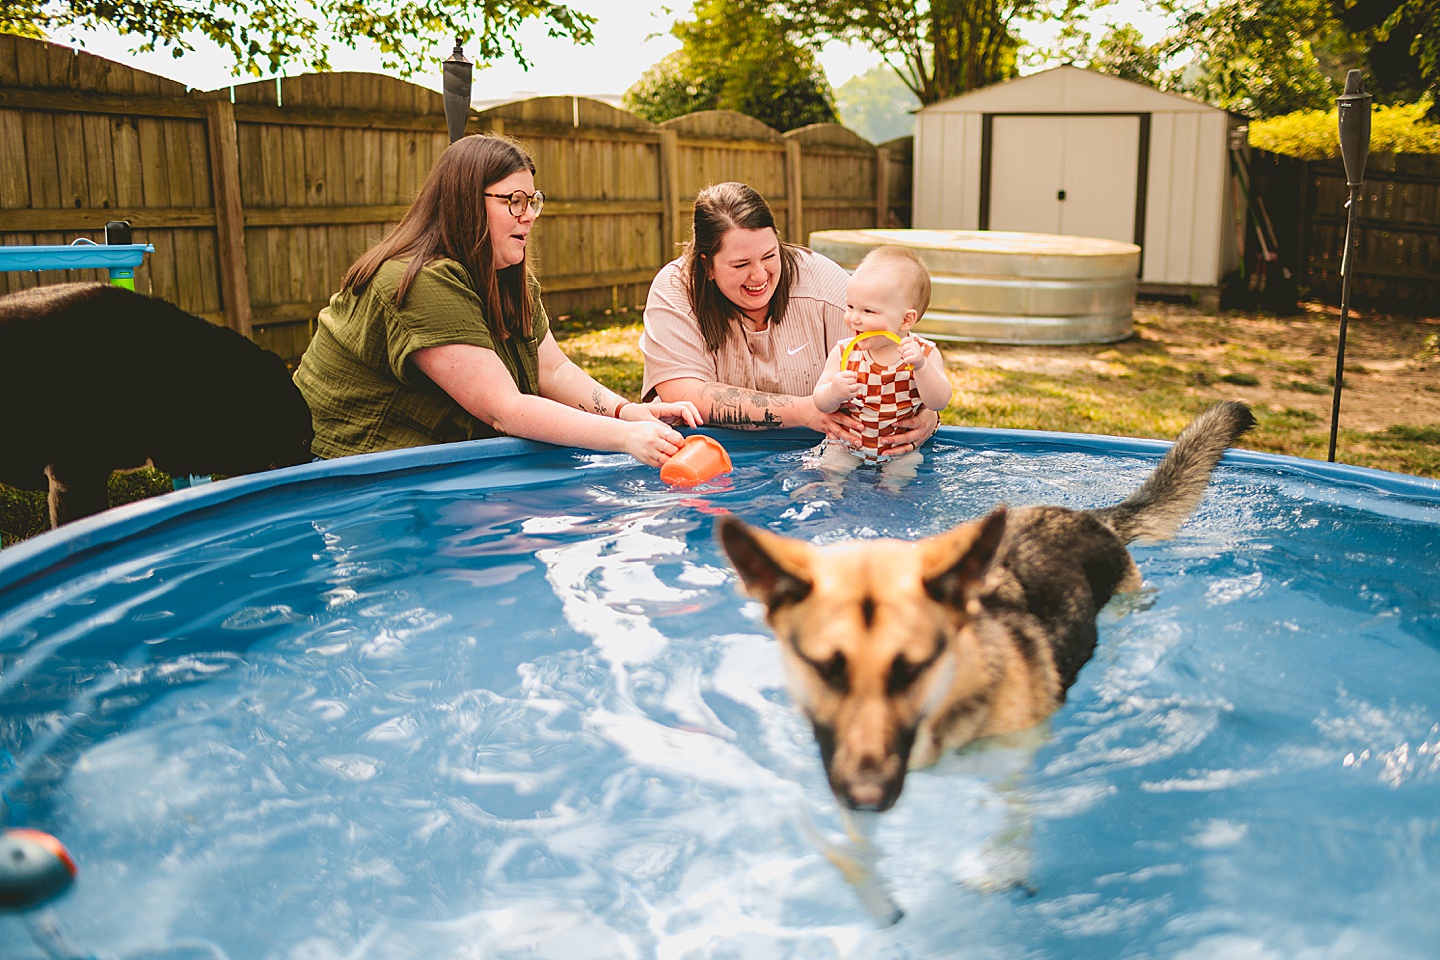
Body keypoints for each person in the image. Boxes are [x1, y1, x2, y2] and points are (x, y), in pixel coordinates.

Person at [295, 134, 700, 466]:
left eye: (532, 201)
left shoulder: (506, 276)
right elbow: (504, 409)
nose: (529, 215)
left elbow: (553, 370)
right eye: (514, 201)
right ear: (466, 203)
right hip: (343, 477)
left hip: (430, 470)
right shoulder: (417, 282)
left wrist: (625, 412)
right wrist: (626, 437)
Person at [639, 182, 937, 454]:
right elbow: (685, 393)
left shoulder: (824, 284)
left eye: (770, 256)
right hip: (706, 455)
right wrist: (805, 411)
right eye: (741, 264)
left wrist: (928, 415)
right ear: (708, 266)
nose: (759, 276)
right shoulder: (675, 291)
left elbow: (894, 358)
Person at [808, 245, 951, 493]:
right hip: (847, 445)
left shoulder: (923, 354)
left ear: (906, 320)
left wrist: (921, 367)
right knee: (829, 468)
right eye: (850, 306)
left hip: (898, 450)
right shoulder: (844, 352)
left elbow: (939, 401)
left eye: (868, 311)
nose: (854, 318)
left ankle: (890, 495)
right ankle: (829, 493)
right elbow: (820, 401)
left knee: (903, 471)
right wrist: (834, 391)